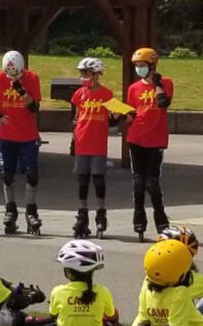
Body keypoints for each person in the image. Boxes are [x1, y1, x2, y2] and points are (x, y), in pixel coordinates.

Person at [0, 51, 45, 235]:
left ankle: (31, 211)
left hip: (28, 136)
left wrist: (21, 90)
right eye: (9, 74)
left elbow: (34, 107)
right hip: (7, 136)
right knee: (7, 174)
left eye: (15, 74)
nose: (12, 77)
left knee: (31, 174)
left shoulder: (32, 78)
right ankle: (10, 210)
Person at [125, 48, 174, 239]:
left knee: (152, 182)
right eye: (137, 66)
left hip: (155, 140)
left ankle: (161, 220)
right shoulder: (133, 88)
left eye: (142, 65)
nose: (139, 69)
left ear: (152, 66)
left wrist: (157, 84)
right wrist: (121, 115)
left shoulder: (166, 83)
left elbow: (163, 103)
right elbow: (131, 114)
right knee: (138, 182)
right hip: (136, 138)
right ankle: (139, 219)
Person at [68, 57, 117, 239]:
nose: (83, 77)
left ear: (96, 75)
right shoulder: (79, 94)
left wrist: (118, 115)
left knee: (98, 179)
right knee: (82, 181)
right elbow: (76, 118)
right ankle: (82, 214)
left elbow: (115, 115)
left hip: (97, 144)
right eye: (81, 74)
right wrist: (73, 139)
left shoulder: (106, 94)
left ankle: (101, 212)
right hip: (82, 143)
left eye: (86, 74)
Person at [49, 239, 123, 326]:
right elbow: (112, 316)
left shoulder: (57, 292)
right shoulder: (102, 291)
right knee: (109, 318)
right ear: (92, 271)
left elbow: (53, 315)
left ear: (68, 272)